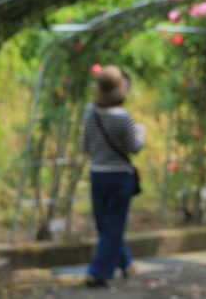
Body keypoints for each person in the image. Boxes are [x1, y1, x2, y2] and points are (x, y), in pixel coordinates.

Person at [82, 65, 145, 288]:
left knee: (104, 225)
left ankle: (124, 262)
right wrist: (141, 134)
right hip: (119, 177)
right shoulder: (123, 117)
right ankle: (99, 272)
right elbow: (134, 147)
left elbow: (86, 145)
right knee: (113, 225)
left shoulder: (90, 112)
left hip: (97, 174)